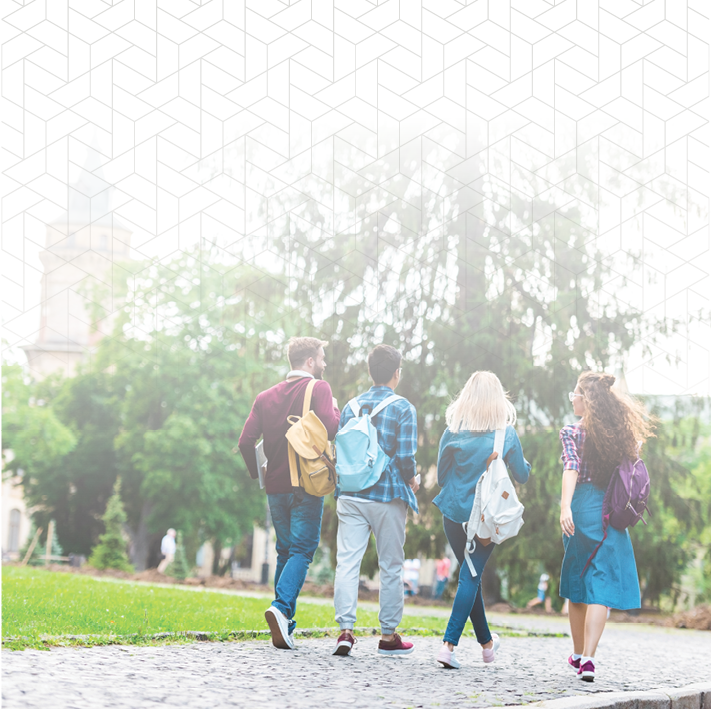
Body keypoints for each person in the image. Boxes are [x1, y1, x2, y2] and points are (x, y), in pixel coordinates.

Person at [238, 336, 340, 650]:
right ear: (309, 361)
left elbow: (245, 442)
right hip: (306, 485)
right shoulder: (319, 389)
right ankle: (281, 608)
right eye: (321, 358)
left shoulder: (265, 396)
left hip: (275, 487)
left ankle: (285, 625)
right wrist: (335, 411)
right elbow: (331, 429)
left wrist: (260, 476)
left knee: (285, 550)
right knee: (302, 550)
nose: (324, 363)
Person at [559, 372, 655, 682]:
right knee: (601, 584)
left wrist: (564, 507)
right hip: (612, 513)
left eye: (575, 394)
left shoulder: (572, 432)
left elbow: (571, 469)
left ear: (586, 400)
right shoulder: (621, 437)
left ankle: (576, 653)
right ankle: (588, 658)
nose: (572, 398)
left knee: (577, 581)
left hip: (582, 507)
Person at [432, 371, 531, 670]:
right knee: (470, 578)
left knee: (468, 576)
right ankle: (448, 647)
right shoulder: (506, 434)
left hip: (453, 515)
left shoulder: (452, 431)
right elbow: (522, 475)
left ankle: (488, 646)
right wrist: (520, 460)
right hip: (485, 521)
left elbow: (440, 478)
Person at [332, 345, 420, 657]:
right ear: (397, 373)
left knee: (347, 562)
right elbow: (407, 457)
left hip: (351, 494)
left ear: (370, 372)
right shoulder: (403, 408)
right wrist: (412, 479)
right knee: (391, 566)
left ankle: (345, 630)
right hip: (387, 495)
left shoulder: (350, 406)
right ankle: (388, 636)